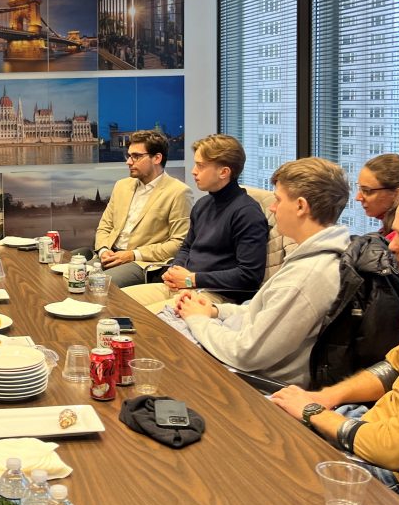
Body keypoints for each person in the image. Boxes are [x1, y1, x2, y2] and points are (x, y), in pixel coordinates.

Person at [271, 177, 399, 505]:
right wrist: (326, 397)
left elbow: (393, 448)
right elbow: (396, 366)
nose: (391, 246)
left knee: (264, 474)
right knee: (258, 422)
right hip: (368, 428)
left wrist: (312, 412)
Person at [173, 157, 351, 387]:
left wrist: (197, 318)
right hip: (242, 359)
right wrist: (216, 311)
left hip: (253, 384)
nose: (272, 208)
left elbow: (245, 353)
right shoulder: (315, 256)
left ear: (300, 206)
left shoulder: (306, 277)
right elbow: (262, 313)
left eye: (278, 199)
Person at [124, 133, 268, 308]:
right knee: (113, 301)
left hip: (216, 295)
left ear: (224, 172)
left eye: (200, 166)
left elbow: (249, 276)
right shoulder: (203, 204)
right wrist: (174, 271)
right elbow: (186, 248)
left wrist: (191, 279)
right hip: (184, 285)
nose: (194, 171)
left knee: (143, 316)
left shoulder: (247, 213)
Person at [78, 130, 191, 287]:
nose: (129, 162)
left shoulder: (178, 192)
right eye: (129, 155)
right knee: (71, 276)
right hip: (109, 255)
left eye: (136, 156)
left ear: (157, 158)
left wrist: (132, 255)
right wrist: (103, 250)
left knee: (95, 285)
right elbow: (105, 226)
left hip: (142, 263)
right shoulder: (122, 185)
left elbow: (178, 243)